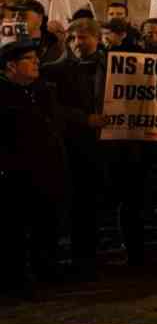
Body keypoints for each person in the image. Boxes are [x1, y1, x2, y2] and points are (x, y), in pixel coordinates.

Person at [0, 39, 67, 296]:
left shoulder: (41, 90)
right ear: (11, 65)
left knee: (45, 225)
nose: (37, 62)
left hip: (45, 172)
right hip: (14, 175)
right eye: (29, 58)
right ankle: (13, 279)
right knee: (13, 230)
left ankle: (46, 271)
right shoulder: (4, 94)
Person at [42, 17, 108, 278]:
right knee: (74, 203)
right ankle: (71, 258)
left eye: (82, 37)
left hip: (103, 147)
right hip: (72, 145)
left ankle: (90, 257)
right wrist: (85, 119)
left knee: (93, 204)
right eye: (72, 38)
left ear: (96, 39)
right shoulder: (53, 70)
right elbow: (53, 108)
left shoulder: (114, 65)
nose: (77, 43)